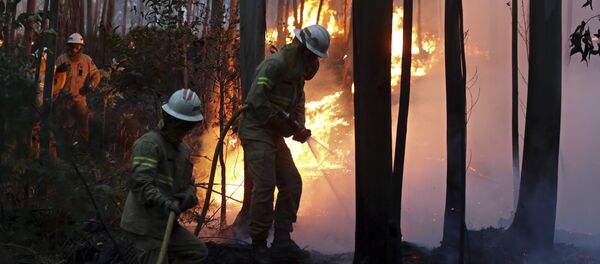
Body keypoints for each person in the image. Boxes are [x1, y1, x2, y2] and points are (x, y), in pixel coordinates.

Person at [238, 24, 330, 264]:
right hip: (256, 129)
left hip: (274, 134)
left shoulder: (299, 71)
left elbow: (298, 102)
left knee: (291, 182)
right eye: (315, 56)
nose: (316, 64)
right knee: (266, 185)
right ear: (306, 51)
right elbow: (256, 100)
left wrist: (298, 126)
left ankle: (281, 241)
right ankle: (258, 244)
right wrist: (282, 121)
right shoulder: (276, 64)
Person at [120, 89, 208, 263]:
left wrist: (190, 196)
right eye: (177, 123)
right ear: (167, 118)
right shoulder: (149, 144)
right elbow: (140, 183)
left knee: (197, 252)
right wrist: (163, 202)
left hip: (165, 224)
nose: (181, 129)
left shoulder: (183, 150)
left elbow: (188, 183)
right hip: (143, 227)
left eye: (186, 125)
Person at [54, 33, 101, 145]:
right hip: (64, 99)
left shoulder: (86, 60)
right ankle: (64, 149)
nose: (74, 48)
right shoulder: (61, 59)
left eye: (77, 46)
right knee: (63, 125)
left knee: (83, 123)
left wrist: (91, 86)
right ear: (68, 46)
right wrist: (59, 71)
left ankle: (82, 150)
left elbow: (96, 74)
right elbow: (52, 78)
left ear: (81, 47)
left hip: (80, 98)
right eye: (72, 45)